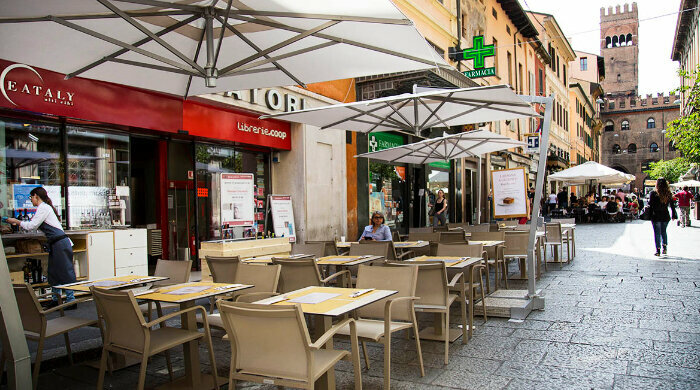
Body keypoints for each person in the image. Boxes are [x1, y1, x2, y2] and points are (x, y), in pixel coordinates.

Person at [7, 187, 76, 308]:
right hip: (56, 244)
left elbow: (31, 226)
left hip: (60, 244)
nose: (31, 200)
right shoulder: (44, 208)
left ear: (36, 197)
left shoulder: (43, 208)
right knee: (53, 273)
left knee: (65, 272)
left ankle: (71, 300)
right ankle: (56, 299)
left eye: (31, 197)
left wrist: (16, 221)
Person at [649, 178, 677, 256]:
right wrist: (673, 215)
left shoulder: (653, 193)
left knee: (657, 233)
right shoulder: (668, 193)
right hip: (665, 215)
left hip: (656, 215)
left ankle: (658, 250)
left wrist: (649, 216)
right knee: (663, 231)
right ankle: (664, 248)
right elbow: (672, 206)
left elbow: (650, 205)